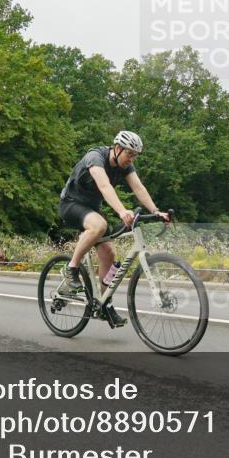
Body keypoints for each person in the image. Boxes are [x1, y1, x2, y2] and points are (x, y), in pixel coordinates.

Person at [57, 131, 170, 328]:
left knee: (109, 253)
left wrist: (155, 211)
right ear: (117, 149)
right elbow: (104, 186)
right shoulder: (95, 157)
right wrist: (121, 211)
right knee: (99, 225)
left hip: (92, 209)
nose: (131, 159)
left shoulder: (126, 165)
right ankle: (71, 269)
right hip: (71, 204)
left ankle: (104, 303)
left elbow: (139, 188)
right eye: (129, 154)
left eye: (135, 155)